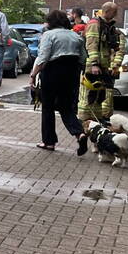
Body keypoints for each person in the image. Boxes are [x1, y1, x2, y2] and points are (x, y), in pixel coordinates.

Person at [29, 10, 88, 154]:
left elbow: (43, 57)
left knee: (48, 106)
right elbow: (83, 58)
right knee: (66, 107)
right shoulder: (76, 36)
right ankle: (79, 133)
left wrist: (33, 74)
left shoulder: (48, 35)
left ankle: (49, 141)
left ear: (51, 22)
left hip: (53, 71)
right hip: (72, 72)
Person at [77, 2, 123, 125]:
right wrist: (94, 64)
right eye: (114, 12)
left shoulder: (106, 25)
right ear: (107, 11)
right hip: (92, 66)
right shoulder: (94, 24)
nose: (116, 14)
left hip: (103, 66)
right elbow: (91, 44)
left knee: (99, 95)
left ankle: (96, 119)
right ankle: (84, 120)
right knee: (89, 94)